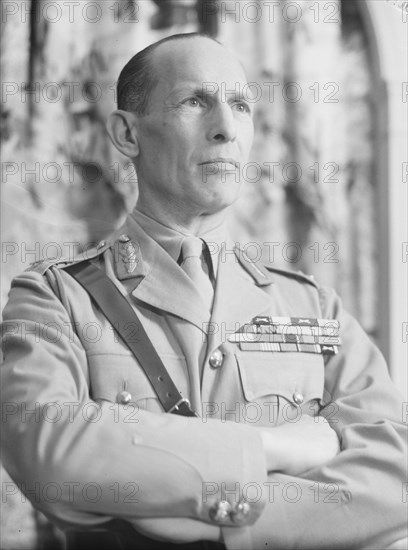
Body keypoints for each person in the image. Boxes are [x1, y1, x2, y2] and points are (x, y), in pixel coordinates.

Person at [1, 33, 407, 550]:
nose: (226, 128)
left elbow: (397, 477)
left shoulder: (313, 307)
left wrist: (223, 529)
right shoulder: (55, 297)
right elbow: (49, 450)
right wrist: (271, 446)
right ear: (127, 134)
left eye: (240, 105)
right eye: (196, 102)